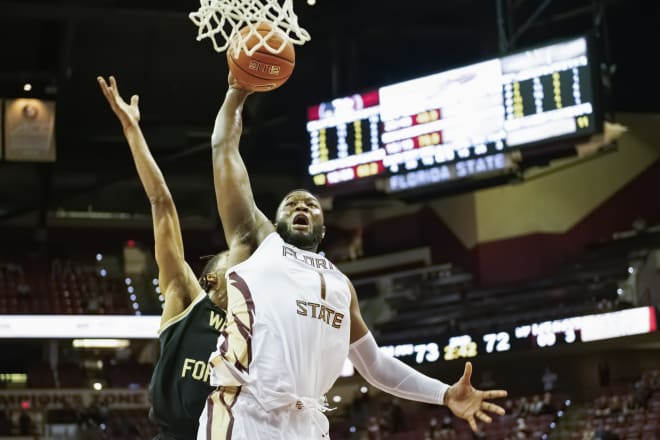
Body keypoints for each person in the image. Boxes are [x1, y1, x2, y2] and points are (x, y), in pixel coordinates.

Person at [197, 74, 507, 439]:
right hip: (248, 413)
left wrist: (443, 393)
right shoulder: (259, 244)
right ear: (276, 222)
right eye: (291, 203)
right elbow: (224, 150)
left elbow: (374, 365)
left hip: (308, 422)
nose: (301, 205)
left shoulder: (341, 285)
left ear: (323, 229)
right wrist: (235, 94)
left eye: (311, 204)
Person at [97, 76, 247, 440]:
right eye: (234, 261)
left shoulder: (248, 327)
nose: (245, 266)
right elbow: (161, 203)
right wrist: (132, 130)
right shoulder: (186, 299)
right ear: (210, 278)